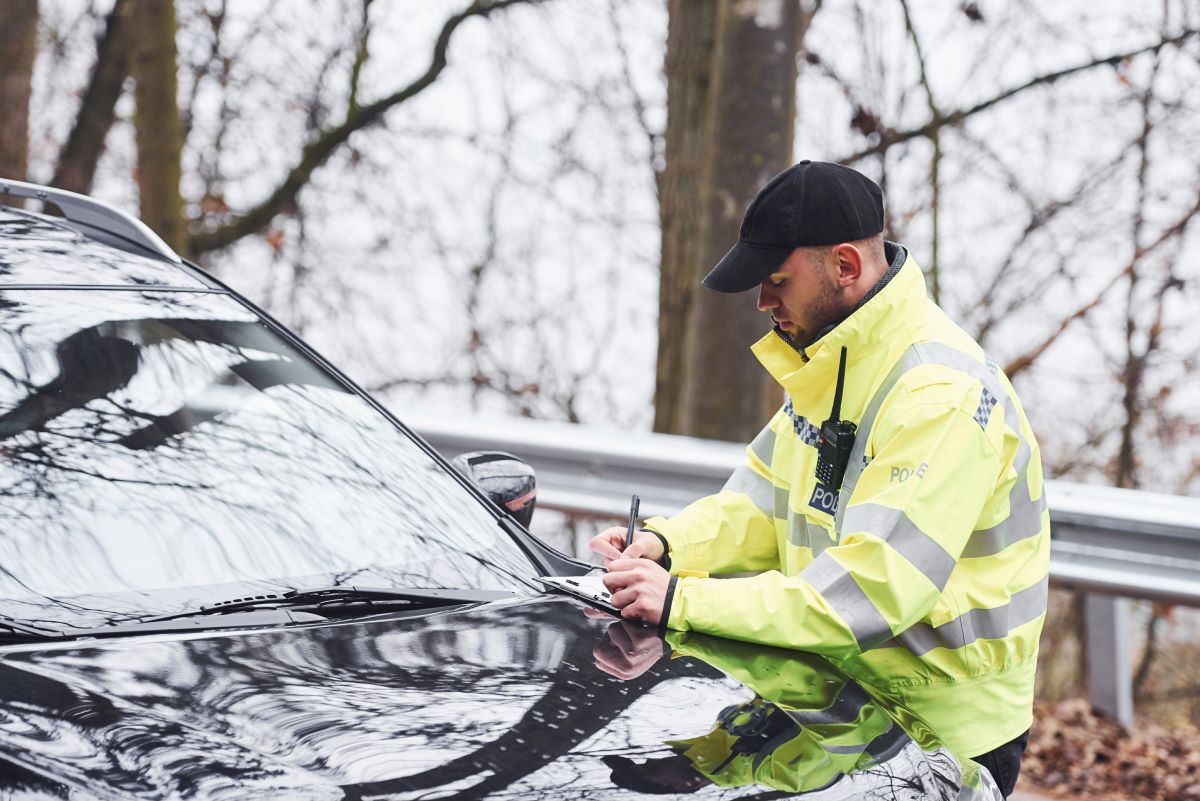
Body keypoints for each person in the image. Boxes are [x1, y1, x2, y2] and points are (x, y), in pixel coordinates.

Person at [590, 160, 1050, 798]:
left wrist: (682, 601)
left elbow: (867, 592)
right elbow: (759, 507)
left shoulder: (936, 395)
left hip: (940, 736)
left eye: (777, 280)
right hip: (837, 701)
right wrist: (669, 547)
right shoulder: (834, 362)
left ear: (846, 266)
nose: (762, 301)